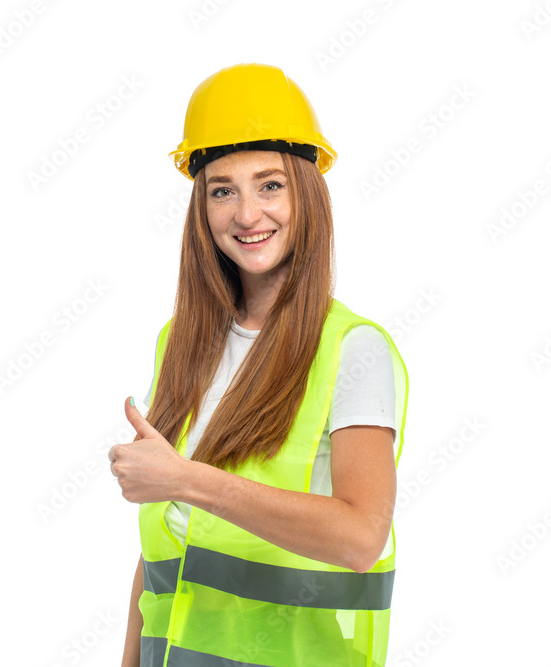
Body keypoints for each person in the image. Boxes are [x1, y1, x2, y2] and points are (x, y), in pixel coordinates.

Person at [108, 63, 409, 667]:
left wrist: (186, 479)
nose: (247, 214)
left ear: (308, 193)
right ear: (202, 207)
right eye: (223, 190)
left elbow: (360, 537)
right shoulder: (182, 342)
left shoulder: (353, 349)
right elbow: (170, 542)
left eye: (270, 185)